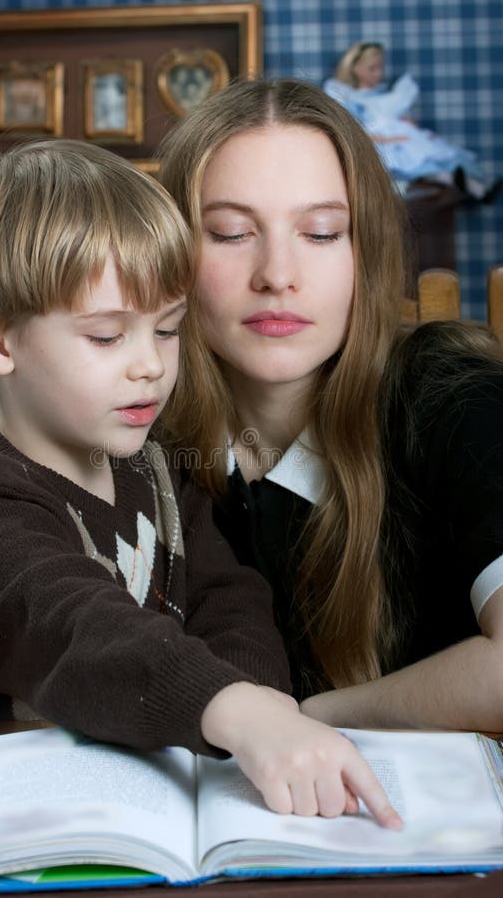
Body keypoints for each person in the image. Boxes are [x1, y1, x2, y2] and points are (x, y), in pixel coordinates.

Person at [0, 139, 400, 827]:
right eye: (107, 337)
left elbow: (229, 596)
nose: (150, 368)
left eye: (167, 330)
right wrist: (233, 709)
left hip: (137, 781)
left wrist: (260, 703)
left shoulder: (154, 464)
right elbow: (80, 628)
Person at [158, 78, 503, 734]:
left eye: (319, 232)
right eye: (231, 233)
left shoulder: (456, 399)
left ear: (362, 254)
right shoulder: (138, 428)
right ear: (172, 255)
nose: (277, 274)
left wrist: (304, 720)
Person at [323, 42, 500, 202]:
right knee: (424, 166)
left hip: (400, 139)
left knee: (435, 161)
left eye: (380, 67)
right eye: (372, 68)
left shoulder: (383, 95)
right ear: (355, 68)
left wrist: (408, 125)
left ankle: (478, 189)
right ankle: (471, 186)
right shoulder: (352, 99)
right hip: (384, 145)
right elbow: (355, 130)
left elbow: (397, 116)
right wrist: (388, 139)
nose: (379, 73)